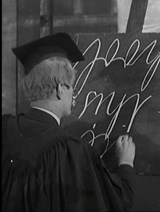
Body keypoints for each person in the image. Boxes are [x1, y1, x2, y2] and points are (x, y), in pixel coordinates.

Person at [2, 32, 136, 212]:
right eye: (71, 86)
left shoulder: (5, 129)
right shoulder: (70, 151)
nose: (74, 93)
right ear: (60, 88)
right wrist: (126, 164)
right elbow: (116, 203)